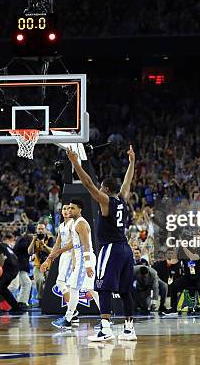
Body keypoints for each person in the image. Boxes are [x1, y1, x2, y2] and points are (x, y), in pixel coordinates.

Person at [66, 144, 137, 342]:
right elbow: (127, 182)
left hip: (111, 248)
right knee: (125, 290)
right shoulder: (122, 198)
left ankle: (105, 329)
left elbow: (88, 184)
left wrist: (75, 163)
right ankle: (129, 329)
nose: (98, 190)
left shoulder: (106, 201)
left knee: (102, 287)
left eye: (101, 188)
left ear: (105, 189)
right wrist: (132, 162)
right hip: (125, 249)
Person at [51, 199, 100, 330]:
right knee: (92, 290)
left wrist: (88, 264)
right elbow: (75, 246)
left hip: (85, 260)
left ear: (80, 209)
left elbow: (87, 245)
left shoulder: (81, 224)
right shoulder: (74, 224)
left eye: (72, 208)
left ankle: (67, 319)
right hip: (80, 260)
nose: (70, 210)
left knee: (73, 288)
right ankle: (106, 318)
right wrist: (74, 260)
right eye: (69, 208)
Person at [0, 233, 24, 313]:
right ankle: (15, 307)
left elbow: (1, 258)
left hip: (9, 269)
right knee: (2, 288)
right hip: (15, 269)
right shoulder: (8, 247)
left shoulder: (0, 245)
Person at [28, 222, 54, 305]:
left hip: (48, 264)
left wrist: (44, 245)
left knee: (49, 282)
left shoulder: (50, 238)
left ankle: (49, 299)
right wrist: (33, 240)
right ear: (36, 230)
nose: (40, 231)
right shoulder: (34, 239)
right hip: (38, 264)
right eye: (39, 229)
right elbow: (29, 252)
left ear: (45, 230)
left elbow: (52, 251)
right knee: (38, 279)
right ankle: (40, 299)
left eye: (42, 229)